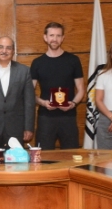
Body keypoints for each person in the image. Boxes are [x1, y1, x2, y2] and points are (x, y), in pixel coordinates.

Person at [31, 22, 84, 150]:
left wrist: (73, 104)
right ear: (45, 37)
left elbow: (81, 89)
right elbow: (30, 92)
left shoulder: (73, 60)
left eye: (58, 36)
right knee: (44, 156)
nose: (55, 39)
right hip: (45, 118)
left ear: (62, 38)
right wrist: (43, 103)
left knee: (70, 155)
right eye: (51, 35)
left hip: (68, 117)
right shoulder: (37, 63)